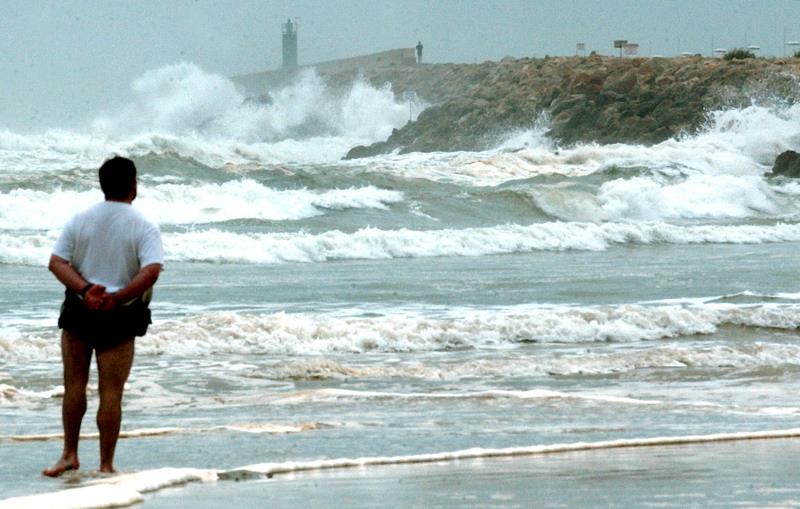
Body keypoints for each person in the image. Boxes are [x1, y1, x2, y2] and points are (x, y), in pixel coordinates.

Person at [43, 156, 163, 477]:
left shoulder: (80, 219)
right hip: (120, 314)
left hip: (81, 310)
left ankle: (69, 454)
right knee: (111, 393)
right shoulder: (143, 225)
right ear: (133, 186)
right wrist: (118, 297)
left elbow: (56, 262)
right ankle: (106, 464)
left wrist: (85, 290)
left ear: (102, 184)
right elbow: (151, 271)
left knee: (74, 388)